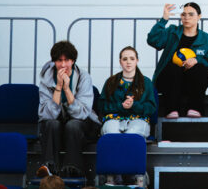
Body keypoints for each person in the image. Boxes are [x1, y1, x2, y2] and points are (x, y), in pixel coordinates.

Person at [36, 40, 99, 180]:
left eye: (67, 60)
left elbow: (82, 113)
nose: (63, 65)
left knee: (73, 125)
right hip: (58, 123)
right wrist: (58, 87)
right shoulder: (46, 79)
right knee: (51, 124)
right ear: (54, 61)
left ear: (73, 61)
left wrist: (67, 89)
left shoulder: (83, 77)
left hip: (81, 123)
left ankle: (72, 169)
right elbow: (47, 114)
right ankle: (49, 168)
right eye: (59, 60)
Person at [147, 2, 208, 118]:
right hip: (169, 80)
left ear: (199, 16)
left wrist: (197, 60)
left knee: (199, 69)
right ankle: (171, 109)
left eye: (191, 14)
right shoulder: (172, 32)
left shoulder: (207, 39)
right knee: (173, 67)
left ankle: (195, 108)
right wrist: (164, 19)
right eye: (183, 14)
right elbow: (153, 40)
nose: (186, 17)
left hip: (191, 83)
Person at [98, 46, 158, 162]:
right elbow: (101, 106)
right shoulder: (111, 81)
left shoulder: (146, 82)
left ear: (137, 61)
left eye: (132, 58)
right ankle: (114, 171)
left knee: (132, 136)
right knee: (112, 134)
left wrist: (134, 105)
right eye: (125, 59)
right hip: (113, 119)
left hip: (139, 120)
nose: (128, 62)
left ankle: (131, 170)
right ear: (120, 61)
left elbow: (151, 108)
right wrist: (120, 106)